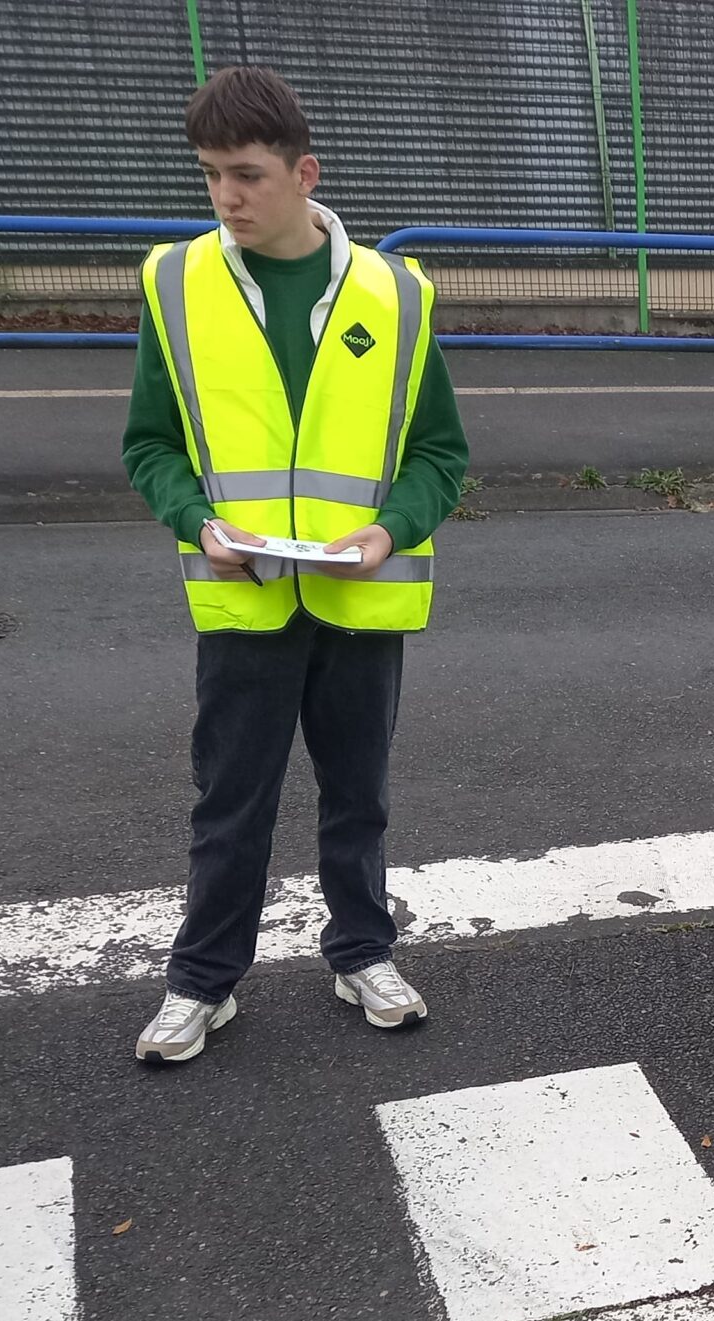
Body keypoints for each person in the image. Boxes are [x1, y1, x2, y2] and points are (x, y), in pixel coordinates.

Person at [123, 66, 467, 1065]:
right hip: (242, 597)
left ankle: (362, 952)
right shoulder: (175, 283)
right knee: (230, 801)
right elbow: (150, 443)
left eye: (246, 175)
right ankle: (203, 980)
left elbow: (440, 453)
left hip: (361, 598)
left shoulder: (396, 295)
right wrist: (197, 523)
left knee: (358, 795)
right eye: (210, 176)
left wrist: (389, 531)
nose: (226, 197)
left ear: (304, 172)